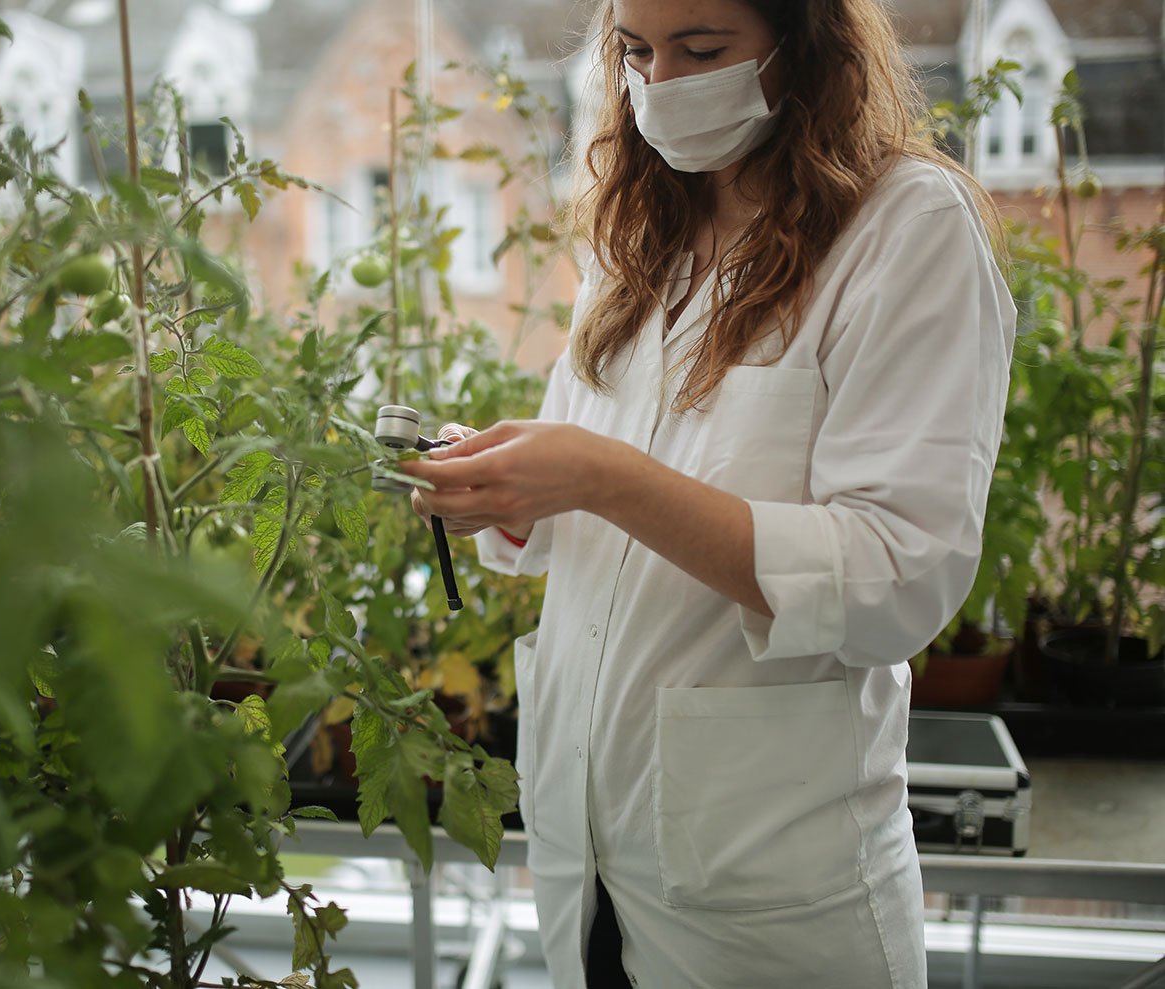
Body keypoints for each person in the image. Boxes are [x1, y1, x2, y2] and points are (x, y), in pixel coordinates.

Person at [398, 0, 1017, 986]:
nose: (662, 85)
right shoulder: (642, 232)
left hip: (766, 892)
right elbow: (589, 501)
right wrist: (504, 485)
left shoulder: (905, 229)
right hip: (590, 860)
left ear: (804, 41)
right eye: (636, 52)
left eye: (702, 49)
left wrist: (603, 474)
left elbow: (897, 574)